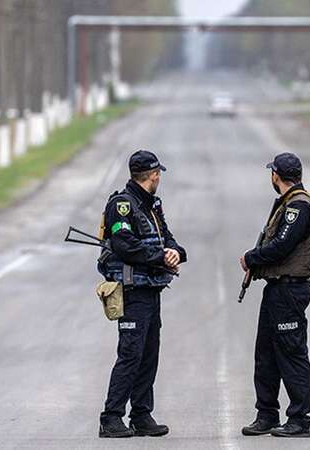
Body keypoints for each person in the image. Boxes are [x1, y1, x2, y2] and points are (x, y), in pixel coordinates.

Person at [97, 150, 186, 438]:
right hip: (132, 291)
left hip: (151, 290)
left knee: (148, 354)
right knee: (130, 354)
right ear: (154, 175)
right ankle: (111, 417)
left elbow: (168, 238)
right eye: (159, 173)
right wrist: (161, 257)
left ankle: (141, 415)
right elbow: (124, 245)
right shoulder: (121, 205)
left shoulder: (152, 206)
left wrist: (175, 253)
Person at [239, 152, 310, 438]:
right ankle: (267, 415)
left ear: (276, 175)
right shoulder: (288, 203)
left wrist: (252, 257)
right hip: (276, 288)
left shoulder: (299, 207)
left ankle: (299, 420)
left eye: (272, 173)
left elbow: (282, 246)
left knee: (292, 352)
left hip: (290, 289)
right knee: (266, 354)